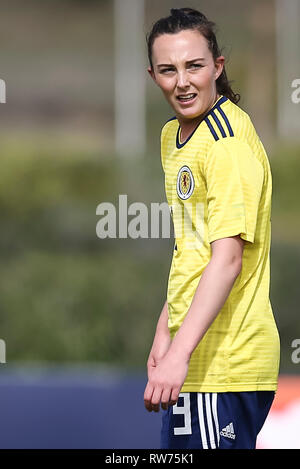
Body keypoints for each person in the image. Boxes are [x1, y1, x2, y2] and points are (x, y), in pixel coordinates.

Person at [143, 8, 280, 450]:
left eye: (194, 66)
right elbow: (193, 247)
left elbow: (227, 260)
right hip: (197, 359)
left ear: (217, 67)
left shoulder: (225, 146)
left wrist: (180, 355)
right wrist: (166, 328)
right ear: (153, 75)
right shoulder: (174, 136)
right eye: (168, 70)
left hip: (222, 365)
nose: (182, 81)